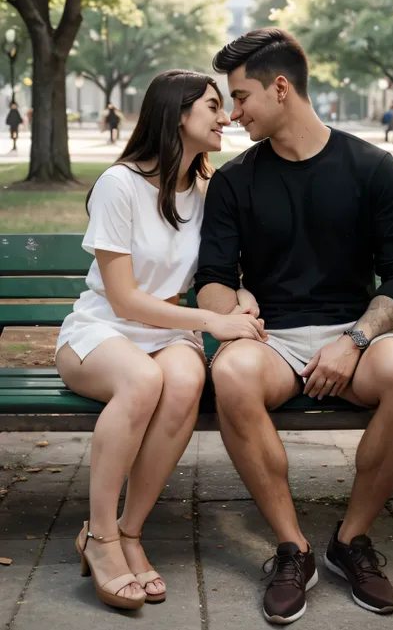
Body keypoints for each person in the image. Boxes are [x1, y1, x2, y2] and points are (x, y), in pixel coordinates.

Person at [195, 29, 393, 624]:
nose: (235, 112)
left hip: (354, 334)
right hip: (270, 340)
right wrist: (238, 304)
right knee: (233, 374)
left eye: (242, 96)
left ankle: (350, 542)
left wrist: (354, 341)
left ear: (281, 88)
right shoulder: (235, 180)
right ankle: (291, 547)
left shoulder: (370, 167)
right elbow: (214, 279)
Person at [55, 70, 266, 611]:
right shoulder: (118, 185)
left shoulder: (207, 188)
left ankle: (129, 531)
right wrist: (210, 323)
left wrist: (238, 297)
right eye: (215, 107)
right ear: (177, 115)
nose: (228, 118)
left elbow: (218, 271)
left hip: (168, 330)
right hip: (102, 329)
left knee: (186, 381)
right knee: (144, 379)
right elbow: (123, 300)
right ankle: (99, 537)